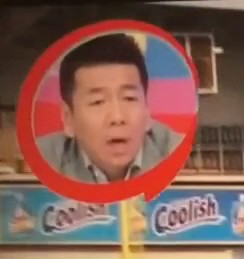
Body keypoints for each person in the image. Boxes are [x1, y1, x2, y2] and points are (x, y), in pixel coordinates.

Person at [35, 33, 185, 183]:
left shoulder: (180, 154)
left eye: (129, 98)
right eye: (98, 102)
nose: (117, 117)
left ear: (147, 111)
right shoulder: (40, 161)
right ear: (68, 118)